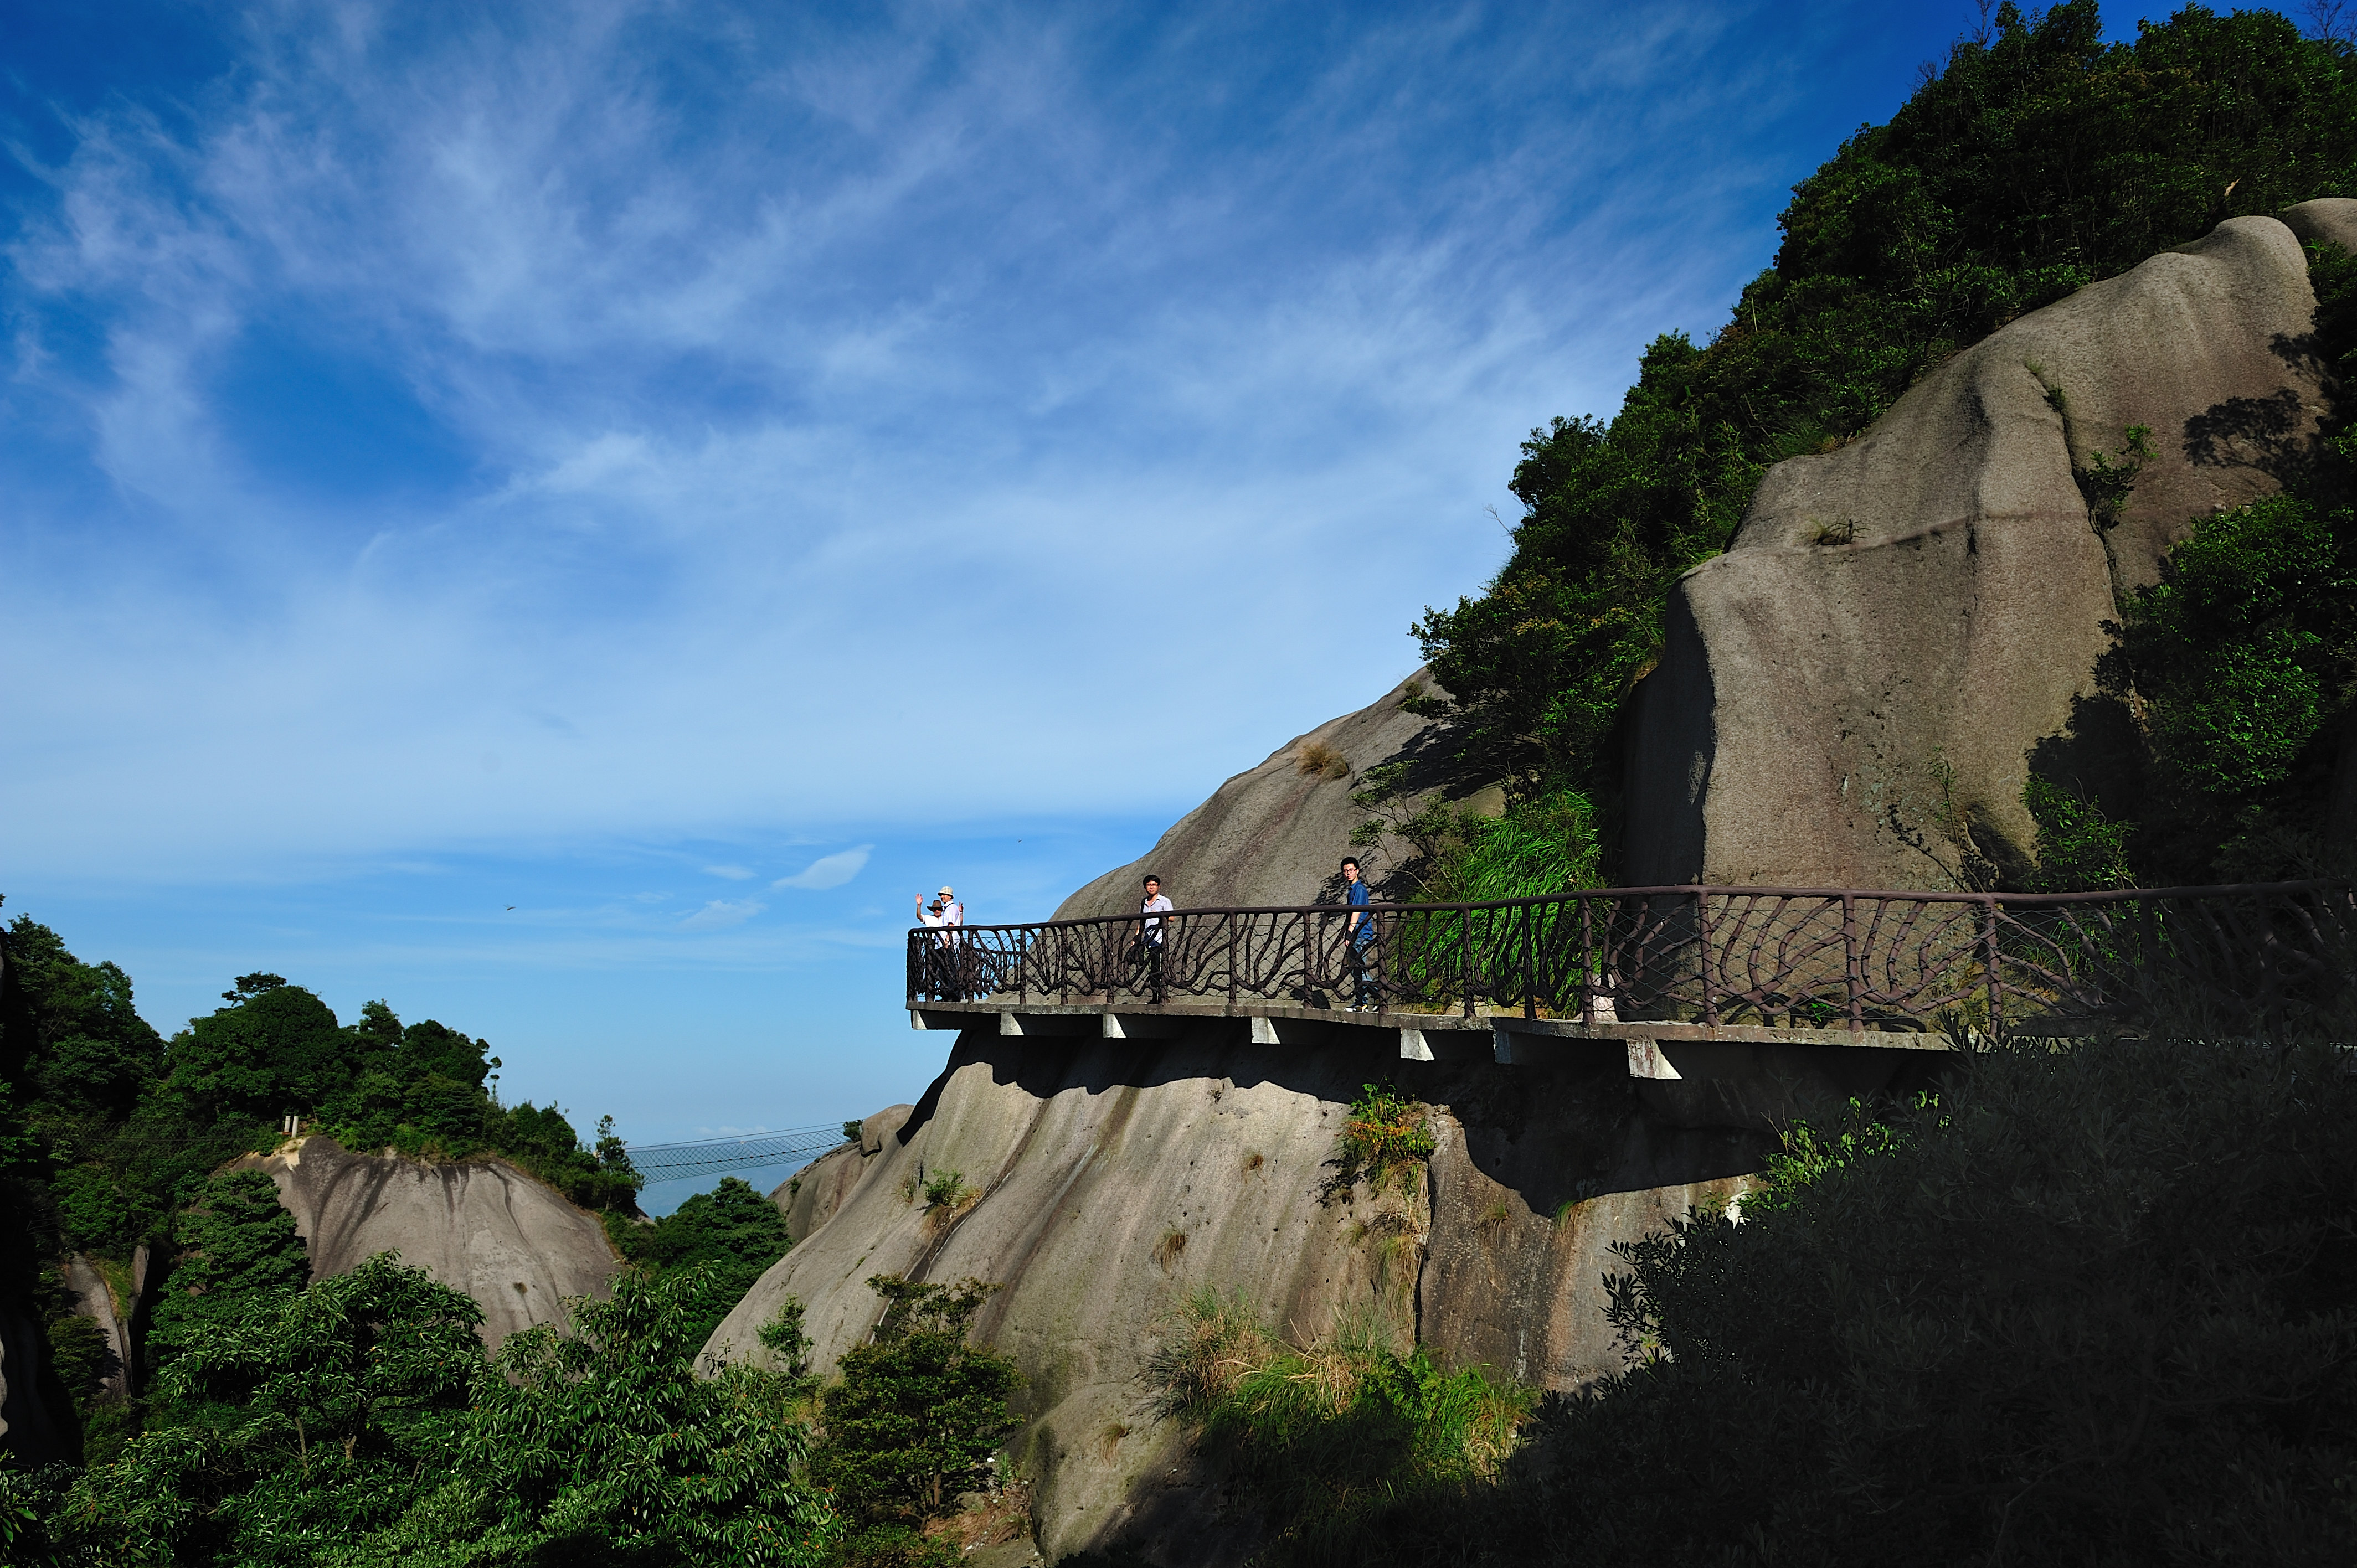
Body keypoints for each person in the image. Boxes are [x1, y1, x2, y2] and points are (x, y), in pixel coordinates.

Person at [1341, 857, 1377, 1010]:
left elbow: (1357, 911)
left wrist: (1350, 932)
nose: (1348, 873)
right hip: (1356, 933)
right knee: (1356, 969)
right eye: (1345, 871)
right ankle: (1361, 1002)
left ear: (1357, 871)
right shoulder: (1352, 889)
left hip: (1361, 933)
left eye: (1351, 870)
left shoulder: (1359, 889)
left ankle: (1378, 997)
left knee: (1360, 968)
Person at [915, 886, 965, 999]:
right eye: (941, 895)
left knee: (949, 969)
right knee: (942, 970)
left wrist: (947, 940)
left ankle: (953, 995)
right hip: (938, 944)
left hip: (946, 943)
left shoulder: (951, 908)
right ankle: (946, 994)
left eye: (944, 895)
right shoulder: (945, 910)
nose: (942, 897)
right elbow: (919, 917)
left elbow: (952, 925)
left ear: (950, 896)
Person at [1138, 874, 1174, 1004]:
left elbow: (1172, 918)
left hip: (1159, 940)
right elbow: (1142, 920)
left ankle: (1163, 996)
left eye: (1154, 885)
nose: (1151, 887)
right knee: (1151, 969)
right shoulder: (1144, 902)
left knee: (1158, 968)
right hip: (1147, 940)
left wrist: (1158, 915)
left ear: (1158, 886)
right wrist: (1137, 936)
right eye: (1149, 885)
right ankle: (1155, 996)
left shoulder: (1164, 901)